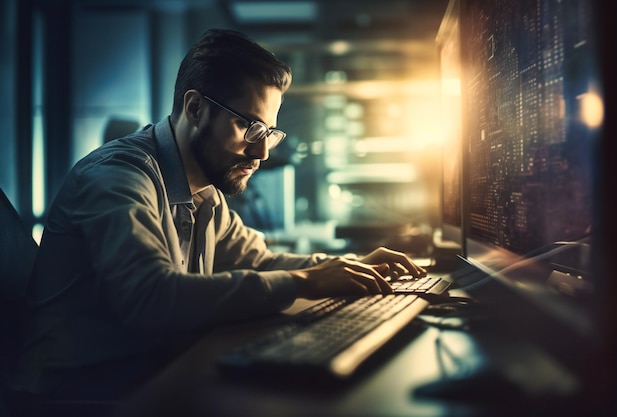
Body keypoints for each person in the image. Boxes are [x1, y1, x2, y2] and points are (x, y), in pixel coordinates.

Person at [7, 28, 427, 405]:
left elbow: (261, 261)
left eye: (269, 133)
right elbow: (150, 299)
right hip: (72, 397)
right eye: (250, 127)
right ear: (195, 108)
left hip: (141, 375)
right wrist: (307, 281)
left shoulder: (205, 190)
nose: (262, 152)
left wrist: (343, 269)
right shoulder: (119, 177)